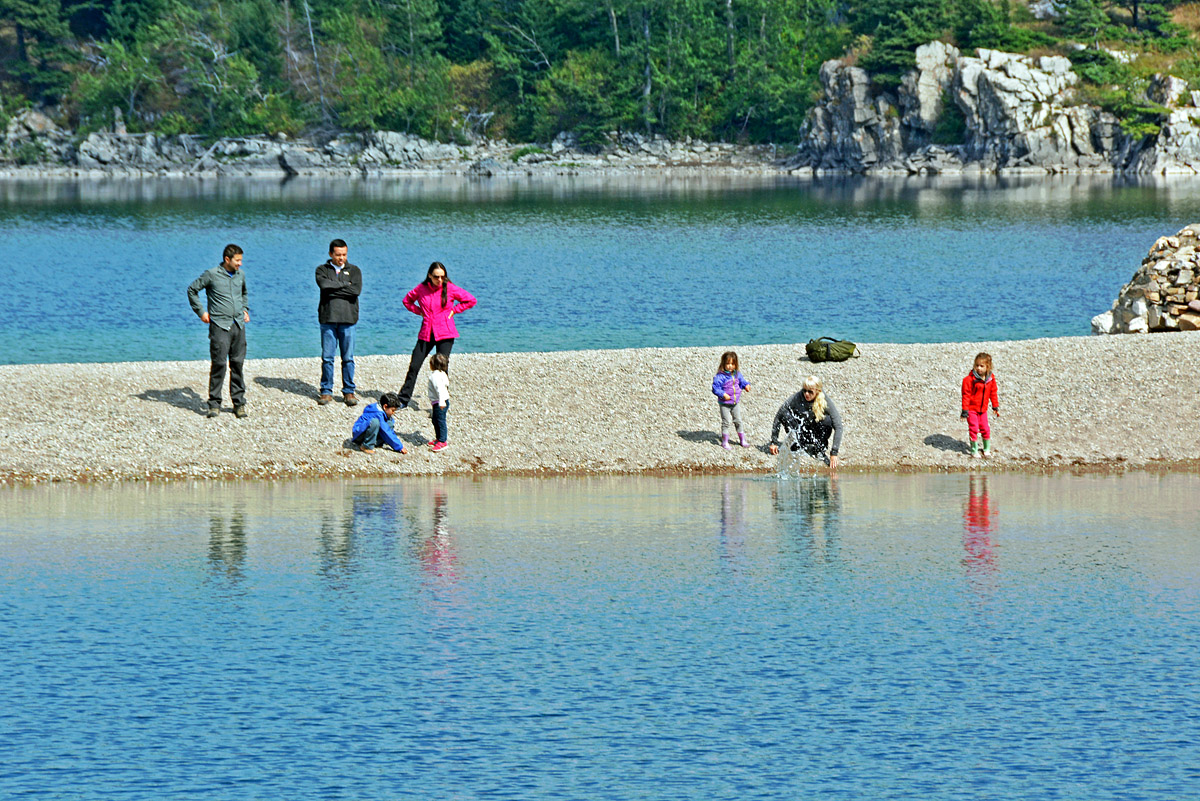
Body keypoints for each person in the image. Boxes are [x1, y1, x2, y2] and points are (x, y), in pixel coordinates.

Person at [397, 262, 476, 409]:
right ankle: (403, 399)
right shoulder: (421, 289)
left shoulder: (450, 288)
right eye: (436, 277)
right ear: (429, 276)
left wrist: (455, 310)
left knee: (441, 368)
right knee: (414, 365)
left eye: (442, 277)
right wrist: (419, 311)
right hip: (426, 332)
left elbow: (471, 300)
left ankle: (443, 401)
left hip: (445, 332)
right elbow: (407, 301)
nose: (439, 280)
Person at [188, 243, 250, 418]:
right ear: (227, 259)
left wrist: (245, 309)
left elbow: (244, 293)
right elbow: (192, 290)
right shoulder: (212, 274)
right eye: (237, 260)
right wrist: (201, 312)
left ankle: (239, 404)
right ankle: (214, 404)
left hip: (238, 325)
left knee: (237, 364)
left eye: (241, 260)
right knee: (219, 365)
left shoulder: (241, 275)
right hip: (220, 326)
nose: (240, 264)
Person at [315, 238, 362, 406]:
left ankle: (349, 391)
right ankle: (326, 390)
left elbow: (355, 290)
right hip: (328, 319)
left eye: (344, 254)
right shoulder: (322, 270)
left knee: (348, 358)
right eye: (338, 255)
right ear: (330, 254)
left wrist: (335, 287)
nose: (341, 258)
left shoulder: (354, 271)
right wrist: (344, 286)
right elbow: (324, 286)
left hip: (348, 320)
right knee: (327, 358)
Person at [769, 375, 843, 470]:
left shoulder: (825, 400)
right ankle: (797, 444)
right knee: (785, 413)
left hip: (817, 433)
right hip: (801, 432)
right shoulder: (797, 397)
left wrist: (834, 453)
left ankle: (819, 449)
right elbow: (779, 414)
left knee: (827, 420)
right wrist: (774, 441)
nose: (806, 394)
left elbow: (838, 426)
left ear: (817, 391)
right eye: (804, 390)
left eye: (810, 392)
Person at [961, 351, 1000, 458]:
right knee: (974, 428)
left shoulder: (990, 379)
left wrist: (995, 406)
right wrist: (965, 411)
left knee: (985, 429)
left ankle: (986, 449)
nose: (979, 368)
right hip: (971, 409)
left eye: (982, 366)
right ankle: (974, 450)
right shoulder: (969, 380)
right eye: (977, 365)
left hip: (983, 410)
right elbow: (966, 395)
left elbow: (993, 392)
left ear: (988, 367)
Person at [712, 351, 751, 450]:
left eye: (732, 364)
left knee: (738, 420)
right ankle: (725, 441)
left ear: (735, 364)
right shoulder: (720, 377)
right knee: (726, 422)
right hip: (724, 403)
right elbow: (715, 388)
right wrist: (723, 394)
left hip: (735, 403)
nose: (730, 366)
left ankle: (742, 439)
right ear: (723, 364)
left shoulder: (737, 374)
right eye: (728, 364)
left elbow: (742, 382)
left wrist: (746, 385)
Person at [427, 353, 450, 452]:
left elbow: (440, 389)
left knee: (440, 421)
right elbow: (446, 384)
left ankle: (443, 441)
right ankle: (438, 438)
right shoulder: (442, 373)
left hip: (440, 402)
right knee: (435, 420)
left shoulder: (435, 376)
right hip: (441, 401)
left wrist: (441, 402)